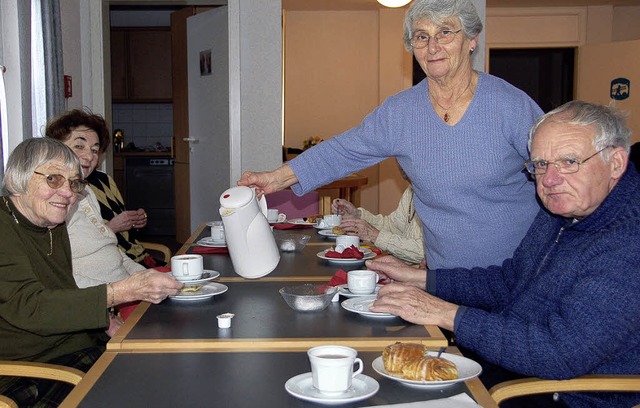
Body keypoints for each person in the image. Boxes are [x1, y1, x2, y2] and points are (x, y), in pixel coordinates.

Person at [366, 101, 640, 408]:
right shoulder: (563, 210)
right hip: (512, 365)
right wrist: (421, 279)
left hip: (557, 394)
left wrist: (443, 313)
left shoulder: (629, 240)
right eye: (540, 164)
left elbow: (559, 352)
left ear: (616, 162)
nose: (549, 180)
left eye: (569, 161)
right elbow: (510, 280)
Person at [239, 0, 543, 270]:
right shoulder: (401, 112)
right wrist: (275, 179)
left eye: (445, 33)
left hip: (516, 273)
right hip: (445, 276)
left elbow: (558, 175)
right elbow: (343, 150)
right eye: (422, 37)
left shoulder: (511, 106)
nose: (432, 46)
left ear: (472, 40)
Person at [0, 138, 182, 406]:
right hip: (29, 370)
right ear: (19, 178)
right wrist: (124, 291)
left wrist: (107, 321)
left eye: (74, 183)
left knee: (166, 366)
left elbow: (62, 287)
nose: (67, 193)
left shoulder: (51, 223)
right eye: (53, 179)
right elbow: (31, 306)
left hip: (73, 346)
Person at [45, 109, 163, 268]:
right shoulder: (51, 195)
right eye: (79, 146)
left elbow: (124, 232)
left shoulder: (100, 182)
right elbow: (66, 251)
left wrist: (135, 221)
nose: (89, 156)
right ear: (56, 148)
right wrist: (113, 226)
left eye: (94, 150)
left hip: (131, 260)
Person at [331, 166, 424, 264]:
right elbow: (393, 226)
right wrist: (357, 215)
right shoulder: (411, 190)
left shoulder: (438, 196)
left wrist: (375, 236)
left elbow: (425, 253)